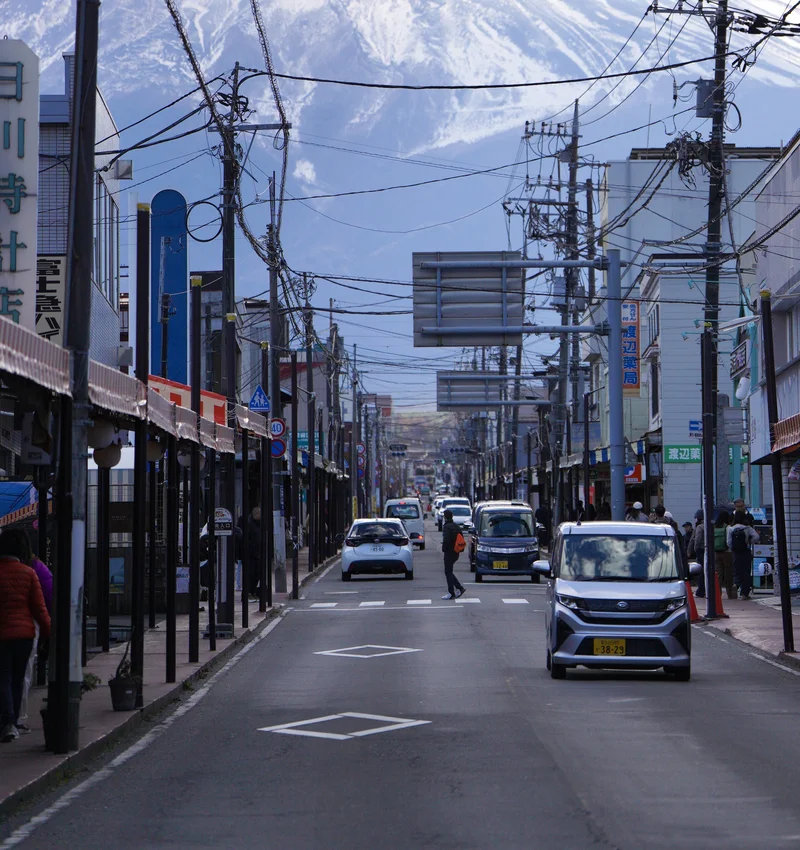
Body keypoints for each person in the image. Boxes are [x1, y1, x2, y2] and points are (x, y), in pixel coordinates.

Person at [0, 529, 51, 743]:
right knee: (18, 679)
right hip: (24, 635)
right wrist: (48, 632)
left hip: (2, 636)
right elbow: (40, 608)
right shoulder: (29, 573)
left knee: (3, 678)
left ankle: (7, 722)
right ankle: (13, 721)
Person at [727, 511, 759, 600]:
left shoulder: (730, 528)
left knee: (736, 570)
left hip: (735, 552)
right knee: (746, 572)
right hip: (745, 551)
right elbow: (757, 537)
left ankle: (735, 584)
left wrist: (733, 547)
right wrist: (749, 542)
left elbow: (728, 542)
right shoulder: (747, 528)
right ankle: (745, 593)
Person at [440, 509, 466, 601]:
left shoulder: (447, 527)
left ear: (445, 517)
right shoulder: (456, 526)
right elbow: (461, 538)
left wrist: (444, 549)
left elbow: (446, 540)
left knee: (448, 572)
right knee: (449, 571)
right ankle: (459, 588)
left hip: (449, 552)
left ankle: (452, 592)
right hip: (456, 551)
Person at [714, 509, 735, 600]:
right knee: (728, 573)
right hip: (727, 553)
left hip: (716, 552)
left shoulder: (714, 527)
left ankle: (718, 593)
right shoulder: (728, 527)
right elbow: (729, 541)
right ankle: (729, 593)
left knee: (718, 573)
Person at [687, 510, 706, 598]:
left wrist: (694, 549)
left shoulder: (699, 527)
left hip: (700, 551)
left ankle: (700, 590)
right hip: (709, 551)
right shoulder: (710, 525)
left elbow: (696, 540)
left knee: (700, 571)